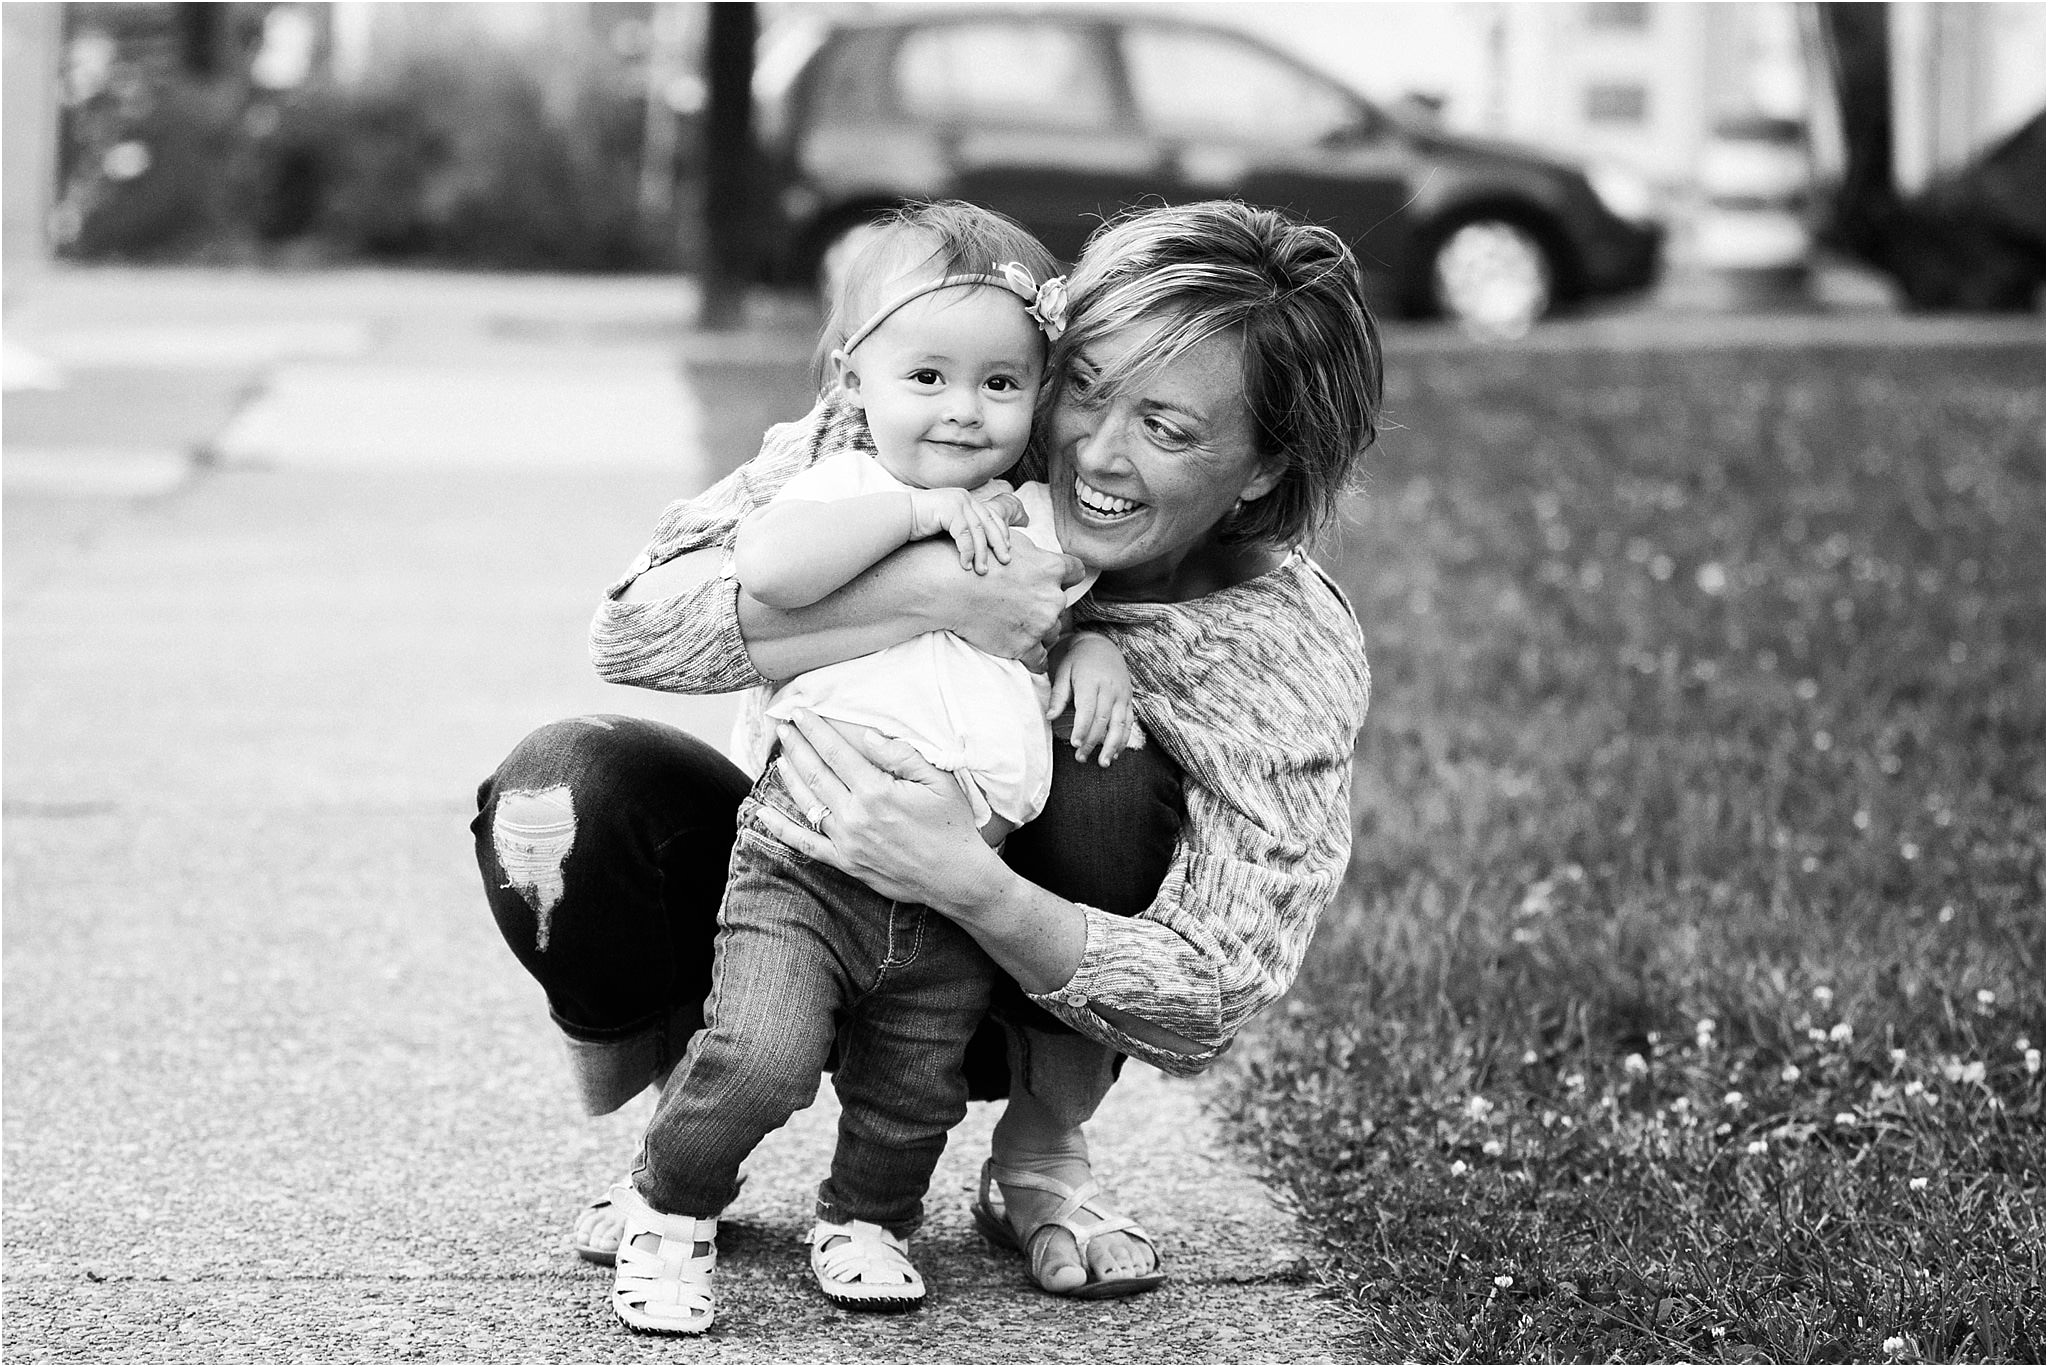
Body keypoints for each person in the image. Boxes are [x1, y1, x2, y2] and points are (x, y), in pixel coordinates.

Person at [472, 198, 1381, 1316]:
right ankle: (696, 1117)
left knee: (1105, 763)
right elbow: (634, 626)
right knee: (560, 789)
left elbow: (1208, 992)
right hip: (785, 893)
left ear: (1257, 468)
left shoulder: (1278, 644)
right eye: (1081, 384)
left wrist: (965, 877)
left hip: (979, 978)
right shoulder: (918, 422)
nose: (1094, 448)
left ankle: (1040, 1156)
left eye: (1168, 428)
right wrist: (932, 592)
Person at [581, 202, 1140, 1335]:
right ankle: (667, 1203)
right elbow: (775, 573)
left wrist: (1089, 653)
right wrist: (920, 514)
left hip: (948, 876)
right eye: (926, 374)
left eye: (998, 382)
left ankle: (864, 1217)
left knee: (911, 1085)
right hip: (808, 852)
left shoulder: (1034, 515)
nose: (960, 408)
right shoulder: (844, 487)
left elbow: (1056, 611)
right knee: (762, 1054)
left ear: (1038, 392)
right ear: (854, 377)